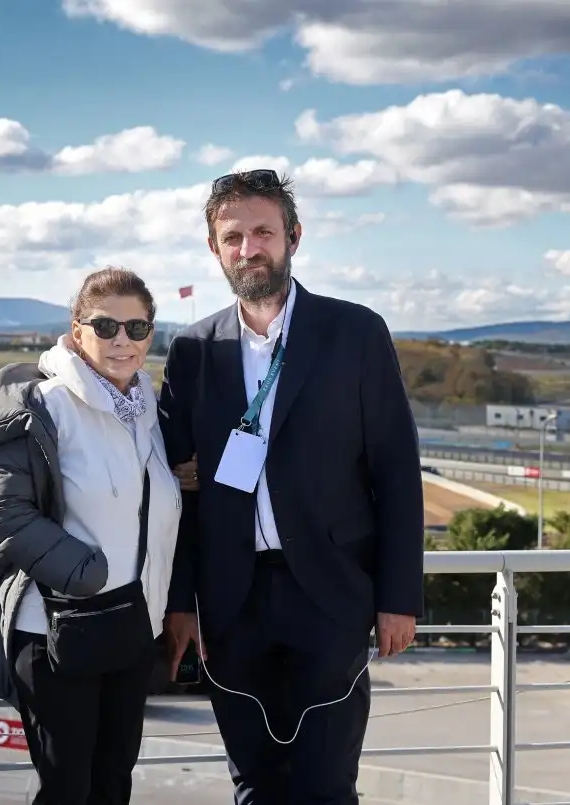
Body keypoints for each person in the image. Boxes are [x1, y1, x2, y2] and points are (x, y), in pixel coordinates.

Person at [158, 169, 425, 805]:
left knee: (326, 786)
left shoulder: (354, 333)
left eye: (263, 233)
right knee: (254, 786)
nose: (248, 249)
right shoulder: (193, 350)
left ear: (294, 237)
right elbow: (177, 493)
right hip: (230, 602)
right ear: (214, 248)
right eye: (233, 237)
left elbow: (396, 470)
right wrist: (180, 601)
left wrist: (399, 597)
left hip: (331, 597)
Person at [0, 267, 182, 805]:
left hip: (133, 629)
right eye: (106, 326)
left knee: (113, 784)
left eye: (136, 328)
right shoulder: (42, 404)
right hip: (56, 631)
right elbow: (5, 513)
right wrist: (85, 577)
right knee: (67, 789)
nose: (122, 340)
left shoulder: (147, 411)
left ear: (150, 335)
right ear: (77, 330)